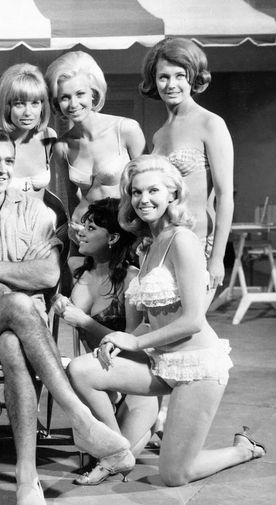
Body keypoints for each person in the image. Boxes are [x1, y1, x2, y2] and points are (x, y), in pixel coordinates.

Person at [0, 128, 133, 505]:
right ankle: (79, 416)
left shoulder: (34, 210)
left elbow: (47, 275)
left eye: (8, 161)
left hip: (25, 328)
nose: (2, 168)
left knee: (13, 344)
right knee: (21, 304)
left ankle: (27, 478)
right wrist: (15, 285)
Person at [67, 154, 265, 487]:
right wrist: (119, 340)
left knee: (174, 474)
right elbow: (155, 318)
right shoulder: (148, 246)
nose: (143, 199)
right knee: (80, 370)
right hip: (160, 363)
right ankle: (116, 450)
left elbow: (192, 320)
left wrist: (134, 341)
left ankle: (242, 450)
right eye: (136, 192)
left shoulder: (182, 240)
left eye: (153, 190)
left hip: (195, 367)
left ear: (173, 194)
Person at [52, 198, 160, 484]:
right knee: (113, 452)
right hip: (99, 380)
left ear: (112, 238)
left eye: (91, 228)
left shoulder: (131, 278)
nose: (81, 232)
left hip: (133, 378)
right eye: (82, 226)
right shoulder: (81, 272)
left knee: (124, 454)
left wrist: (84, 321)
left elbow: (132, 342)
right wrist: (60, 303)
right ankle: (122, 441)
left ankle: (153, 422)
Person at [140, 37, 233, 295]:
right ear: (153, 80)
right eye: (163, 77)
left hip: (198, 244)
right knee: (164, 318)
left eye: (180, 75)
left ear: (193, 77)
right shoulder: (158, 135)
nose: (171, 84)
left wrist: (217, 258)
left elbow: (225, 197)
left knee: (193, 319)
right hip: (164, 244)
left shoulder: (210, 124)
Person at [45, 51, 146, 239]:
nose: (73, 104)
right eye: (65, 97)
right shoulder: (62, 147)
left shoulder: (126, 130)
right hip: (84, 233)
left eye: (80, 94)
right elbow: (72, 199)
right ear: (57, 102)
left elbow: (149, 185)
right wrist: (75, 234)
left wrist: (143, 234)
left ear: (93, 94)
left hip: (124, 231)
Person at [0, 63, 56, 200]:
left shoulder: (48, 136)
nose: (28, 112)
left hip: (42, 213)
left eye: (34, 103)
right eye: (19, 103)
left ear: (42, 106)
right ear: (6, 106)